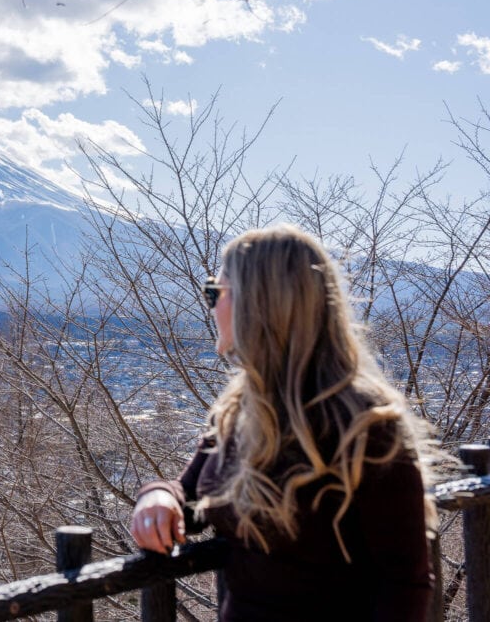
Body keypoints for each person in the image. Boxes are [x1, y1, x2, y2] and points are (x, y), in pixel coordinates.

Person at [129, 223, 437, 621]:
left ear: (259, 304)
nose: (210, 305)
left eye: (215, 292)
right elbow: (189, 497)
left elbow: (404, 582)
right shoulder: (240, 409)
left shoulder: (366, 425)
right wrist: (157, 495)